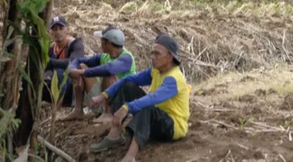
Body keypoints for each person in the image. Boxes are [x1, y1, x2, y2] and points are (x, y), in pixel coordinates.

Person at [88, 34, 190, 162]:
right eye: (152, 53)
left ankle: (130, 156)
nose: (152, 57)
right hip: (155, 118)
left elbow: (153, 98)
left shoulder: (174, 78)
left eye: (157, 54)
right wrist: (103, 96)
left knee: (147, 108)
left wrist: (127, 107)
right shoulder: (156, 70)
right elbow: (128, 79)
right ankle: (114, 135)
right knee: (127, 86)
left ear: (169, 57)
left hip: (172, 127)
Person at [61, 25, 136, 123]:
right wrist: (72, 69)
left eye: (102, 41)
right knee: (82, 65)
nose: (100, 44)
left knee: (109, 74)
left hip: (121, 100)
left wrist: (83, 72)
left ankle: (108, 113)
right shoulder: (104, 56)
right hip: (102, 95)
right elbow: (78, 60)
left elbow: (110, 69)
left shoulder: (126, 58)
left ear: (108, 43)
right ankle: (78, 110)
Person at [42, 15, 85, 108]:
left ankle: (60, 105)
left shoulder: (75, 44)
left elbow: (74, 62)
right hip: (54, 86)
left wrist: (50, 62)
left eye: (61, 28)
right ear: (50, 32)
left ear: (67, 30)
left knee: (59, 72)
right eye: (54, 29)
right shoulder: (50, 48)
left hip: (73, 88)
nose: (58, 32)